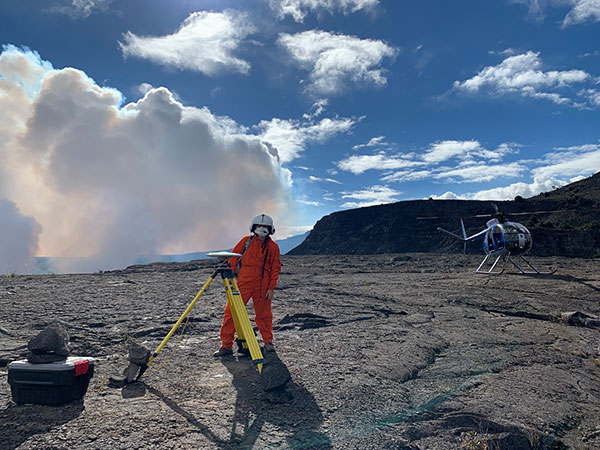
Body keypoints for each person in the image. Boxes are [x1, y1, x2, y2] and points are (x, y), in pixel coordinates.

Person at [213, 214, 281, 357]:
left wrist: (271, 288)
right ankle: (226, 346)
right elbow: (233, 259)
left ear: (270, 229)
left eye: (265, 227)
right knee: (231, 312)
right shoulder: (245, 242)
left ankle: (268, 343)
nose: (262, 229)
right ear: (253, 227)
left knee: (264, 315)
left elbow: (275, 268)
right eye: (259, 226)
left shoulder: (273, 247)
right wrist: (231, 279)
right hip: (243, 283)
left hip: (263, 285)